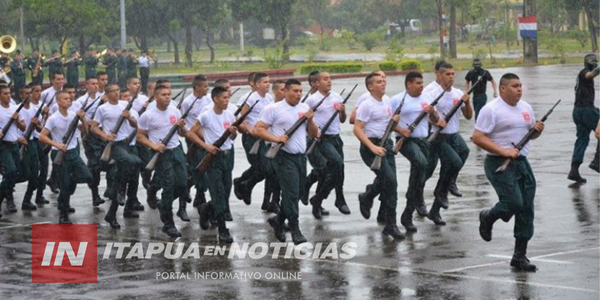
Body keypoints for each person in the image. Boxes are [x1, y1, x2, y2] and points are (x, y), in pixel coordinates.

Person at [473, 73, 544, 272]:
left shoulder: (526, 108)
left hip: (522, 163)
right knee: (513, 202)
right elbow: (477, 137)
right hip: (499, 162)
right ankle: (488, 216)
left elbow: (531, 135)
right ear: (503, 88)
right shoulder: (491, 109)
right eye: (514, 86)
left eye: (520, 85)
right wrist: (504, 151)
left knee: (526, 209)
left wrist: (537, 130)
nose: (519, 89)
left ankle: (519, 256)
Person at [254, 79, 317, 244]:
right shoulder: (273, 109)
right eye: (295, 91)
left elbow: (314, 134)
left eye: (300, 91)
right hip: (283, 156)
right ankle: (295, 230)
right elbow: (258, 129)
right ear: (286, 91)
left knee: (296, 193)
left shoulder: (304, 108)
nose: (298, 94)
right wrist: (276, 138)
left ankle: (279, 220)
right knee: (291, 193)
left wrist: (310, 120)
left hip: (300, 157)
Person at [354, 73, 404, 240]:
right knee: (390, 181)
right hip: (371, 146)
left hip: (386, 145)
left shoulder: (387, 101)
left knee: (391, 183)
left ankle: (369, 198)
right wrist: (372, 147)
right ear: (370, 86)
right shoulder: (366, 105)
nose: (383, 83)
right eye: (378, 82)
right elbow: (357, 129)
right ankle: (391, 223)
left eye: (384, 81)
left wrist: (395, 122)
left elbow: (387, 124)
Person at [389, 71, 440, 233]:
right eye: (418, 83)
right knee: (420, 163)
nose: (421, 86)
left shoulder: (426, 99)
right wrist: (401, 130)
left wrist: (432, 112)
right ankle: (415, 200)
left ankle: (409, 211)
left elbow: (436, 120)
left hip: (423, 141)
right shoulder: (398, 99)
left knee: (422, 171)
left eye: (422, 83)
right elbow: (388, 121)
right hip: (406, 141)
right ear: (409, 84)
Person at [187, 86, 239, 243]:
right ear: (216, 99)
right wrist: (206, 146)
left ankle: (207, 208)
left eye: (228, 98)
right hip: (213, 157)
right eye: (224, 98)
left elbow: (233, 138)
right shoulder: (206, 115)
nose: (227, 101)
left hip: (227, 156)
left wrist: (233, 132)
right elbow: (190, 132)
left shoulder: (230, 114)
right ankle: (223, 229)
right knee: (217, 192)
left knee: (225, 190)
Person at [137, 85, 189, 238]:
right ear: (155, 97)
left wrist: (182, 127)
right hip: (161, 154)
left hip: (176, 149)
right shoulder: (148, 115)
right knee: (168, 186)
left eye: (169, 94)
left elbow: (182, 133)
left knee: (183, 184)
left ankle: (163, 204)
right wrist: (153, 145)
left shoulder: (175, 110)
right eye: (164, 94)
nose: (168, 97)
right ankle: (168, 223)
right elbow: (140, 136)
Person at [423, 62, 472, 226]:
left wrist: (467, 101)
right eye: (448, 74)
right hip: (438, 137)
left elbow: (469, 116)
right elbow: (428, 116)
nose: (451, 77)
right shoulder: (432, 92)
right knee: (452, 163)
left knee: (463, 153)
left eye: (453, 74)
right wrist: (438, 120)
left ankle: (435, 210)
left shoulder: (458, 93)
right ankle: (420, 196)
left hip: (453, 135)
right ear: (439, 75)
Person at [91, 84, 142, 229]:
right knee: (131, 161)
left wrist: (129, 117)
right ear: (106, 94)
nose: (116, 93)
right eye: (113, 91)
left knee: (134, 170)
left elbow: (134, 124)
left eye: (118, 90)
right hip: (114, 145)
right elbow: (93, 126)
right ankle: (120, 191)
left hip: (127, 143)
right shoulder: (102, 108)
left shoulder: (125, 105)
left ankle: (114, 212)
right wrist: (105, 135)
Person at [39, 91, 93, 224]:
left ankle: (67, 190)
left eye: (69, 99)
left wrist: (82, 119)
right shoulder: (54, 118)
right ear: (58, 102)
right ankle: (62, 213)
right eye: (65, 99)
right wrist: (56, 144)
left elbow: (86, 132)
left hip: (73, 152)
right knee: (64, 184)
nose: (69, 100)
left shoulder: (73, 115)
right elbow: (42, 136)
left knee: (87, 176)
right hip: (59, 154)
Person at [304, 71, 349, 219]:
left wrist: (342, 112)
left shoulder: (336, 96)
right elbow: (306, 121)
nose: (329, 81)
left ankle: (318, 199)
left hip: (336, 138)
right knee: (337, 164)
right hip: (322, 140)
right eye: (325, 79)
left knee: (336, 170)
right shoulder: (311, 100)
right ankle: (339, 197)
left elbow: (342, 120)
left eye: (330, 78)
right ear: (317, 83)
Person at [233, 72, 272, 205]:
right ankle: (243, 183)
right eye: (265, 82)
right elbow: (240, 118)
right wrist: (249, 130)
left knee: (265, 168)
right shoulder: (249, 98)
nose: (268, 84)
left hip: (264, 137)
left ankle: (245, 184)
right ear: (257, 84)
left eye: (269, 81)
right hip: (251, 138)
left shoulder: (269, 98)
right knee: (261, 167)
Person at [180, 75, 211, 221]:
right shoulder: (187, 102)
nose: (207, 88)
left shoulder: (209, 100)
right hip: (193, 139)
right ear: (197, 87)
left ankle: (197, 192)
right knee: (198, 167)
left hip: (206, 138)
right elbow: (183, 121)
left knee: (203, 168)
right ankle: (199, 194)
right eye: (204, 86)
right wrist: (189, 134)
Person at [568, 53, 600, 183]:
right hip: (586, 110)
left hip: (578, 111)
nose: (596, 63)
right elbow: (590, 75)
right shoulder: (584, 73)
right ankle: (597, 161)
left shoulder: (582, 75)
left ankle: (574, 170)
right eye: (594, 62)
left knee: (582, 140)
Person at [0, 85, 26, 214]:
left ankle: (5, 192)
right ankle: (8, 198)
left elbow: (23, 127)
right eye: (5, 94)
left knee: (18, 173)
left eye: (9, 93)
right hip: (4, 146)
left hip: (15, 144)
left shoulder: (15, 108)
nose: (8, 96)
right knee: (11, 171)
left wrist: (17, 121)